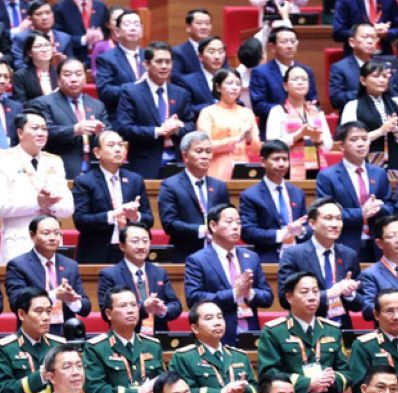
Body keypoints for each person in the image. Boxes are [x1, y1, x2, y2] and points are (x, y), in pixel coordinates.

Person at [256, 272, 351, 393]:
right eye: (305, 292)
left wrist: (331, 379)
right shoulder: (274, 331)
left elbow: (346, 372)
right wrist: (307, 383)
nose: (312, 297)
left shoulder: (332, 330)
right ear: (289, 297)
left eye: (315, 291)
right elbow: (268, 374)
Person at [81, 288, 165, 393]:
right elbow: (95, 391)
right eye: (123, 305)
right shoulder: (96, 348)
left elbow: (163, 384)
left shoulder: (152, 345)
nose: (130, 310)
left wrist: (156, 391)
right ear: (108, 314)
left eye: (134, 305)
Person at [0, 111, 73, 263]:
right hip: (19, 242)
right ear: (20, 133)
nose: (41, 133)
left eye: (44, 129)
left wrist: (49, 204)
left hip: (51, 241)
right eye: (35, 128)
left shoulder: (54, 161)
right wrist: (37, 203)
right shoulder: (3, 159)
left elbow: (68, 208)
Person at [168, 302, 259, 393]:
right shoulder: (184, 357)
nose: (217, 322)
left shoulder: (239, 356)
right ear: (195, 328)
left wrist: (243, 391)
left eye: (220, 317)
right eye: (209, 318)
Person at [182, 204, 272, 347]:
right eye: (229, 222)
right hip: (217, 337)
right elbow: (194, 298)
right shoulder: (197, 260)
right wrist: (234, 294)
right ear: (213, 225)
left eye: (238, 222)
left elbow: (267, 297)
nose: (235, 227)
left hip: (251, 335)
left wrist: (249, 293)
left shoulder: (251, 257)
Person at [277, 197, 363, 331]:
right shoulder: (293, 254)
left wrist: (349, 295)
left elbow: (360, 303)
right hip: (305, 330)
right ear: (312, 224)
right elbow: (284, 298)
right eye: (328, 218)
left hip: (341, 331)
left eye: (338, 219)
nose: (335, 224)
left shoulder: (349, 255)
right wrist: (329, 294)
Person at [112, 42, 195, 180]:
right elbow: (124, 128)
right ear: (146, 64)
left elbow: (191, 126)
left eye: (168, 62)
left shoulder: (181, 93)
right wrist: (158, 131)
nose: (164, 66)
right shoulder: (131, 92)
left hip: (177, 163)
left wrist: (177, 130)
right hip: (144, 164)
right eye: (159, 61)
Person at [72, 131, 153, 266]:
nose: (118, 149)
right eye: (111, 145)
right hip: (97, 251)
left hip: (130, 251)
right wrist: (113, 215)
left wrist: (135, 216)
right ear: (97, 152)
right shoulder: (85, 181)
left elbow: (149, 219)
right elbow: (80, 220)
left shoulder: (135, 180)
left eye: (120, 145)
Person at [314, 121, 392, 259]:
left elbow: (390, 206)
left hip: (377, 245)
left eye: (365, 139)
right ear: (341, 146)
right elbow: (325, 214)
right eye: (354, 139)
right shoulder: (328, 176)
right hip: (344, 244)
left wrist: (379, 207)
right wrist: (361, 213)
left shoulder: (379, 173)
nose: (361, 144)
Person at [4, 216, 89, 335]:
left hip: (65, 334)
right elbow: (16, 303)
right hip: (33, 335)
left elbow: (85, 307)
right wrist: (54, 295)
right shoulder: (18, 265)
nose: (53, 238)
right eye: (46, 233)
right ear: (32, 235)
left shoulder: (70, 265)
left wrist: (71, 300)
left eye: (57, 233)